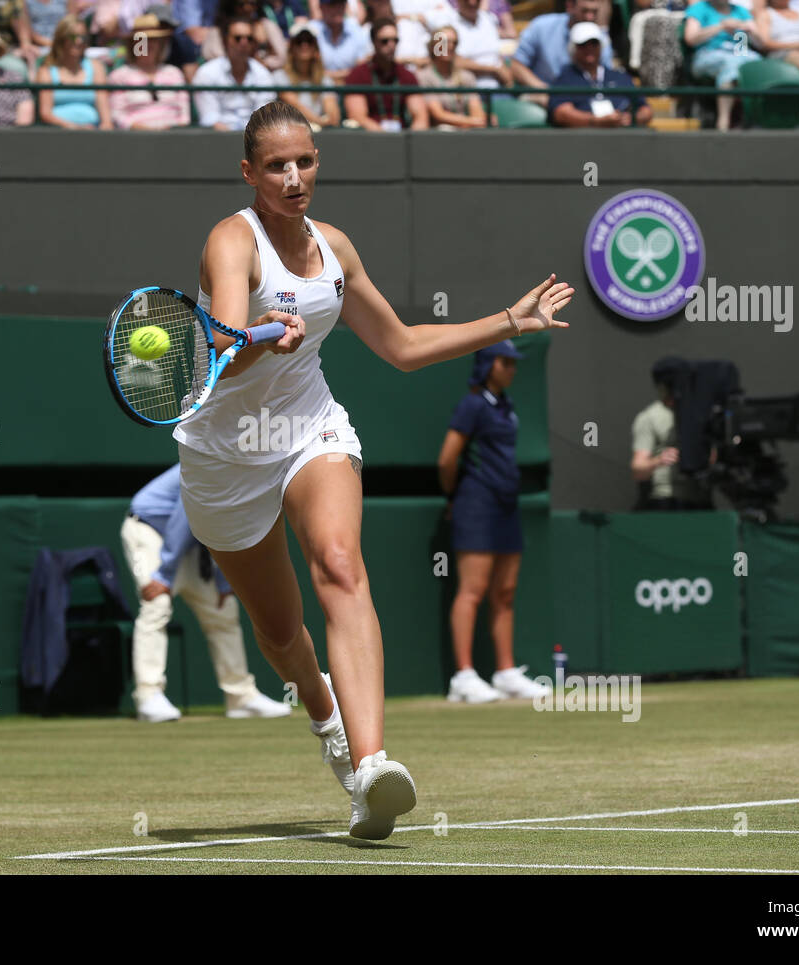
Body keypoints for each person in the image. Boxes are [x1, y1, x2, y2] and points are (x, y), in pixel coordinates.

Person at [176, 98, 572, 838]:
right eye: (276, 166)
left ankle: (369, 769)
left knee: (340, 563)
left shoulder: (336, 248)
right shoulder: (232, 241)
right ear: (248, 173)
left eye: (305, 161)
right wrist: (267, 335)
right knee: (281, 634)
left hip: (308, 427)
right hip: (225, 456)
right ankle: (325, 719)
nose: (294, 177)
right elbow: (222, 355)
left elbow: (402, 345)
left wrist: (508, 320)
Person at [123, 465, 293, 722]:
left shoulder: (251, 477)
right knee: (156, 604)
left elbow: (231, 529)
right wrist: (164, 575)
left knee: (223, 609)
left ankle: (240, 698)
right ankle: (148, 696)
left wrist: (224, 583)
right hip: (149, 529)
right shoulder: (215, 463)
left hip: (189, 543)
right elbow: (185, 513)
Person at [437, 340, 550, 703]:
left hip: (506, 506)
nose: (512, 369)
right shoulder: (472, 405)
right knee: (472, 591)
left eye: (514, 363)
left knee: (505, 592)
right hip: (476, 504)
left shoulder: (506, 405)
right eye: (505, 362)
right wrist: (455, 497)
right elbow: (447, 459)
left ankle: (504, 673)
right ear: (488, 364)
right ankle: (464, 677)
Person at [630, 361, 714, 510]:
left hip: (700, 502)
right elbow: (638, 470)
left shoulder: (702, 415)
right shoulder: (650, 417)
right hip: (665, 501)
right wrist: (659, 460)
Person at [549, 20, 652, 126]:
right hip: (583, 138)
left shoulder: (620, 76)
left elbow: (646, 110)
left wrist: (632, 118)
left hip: (622, 136)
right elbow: (561, 113)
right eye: (583, 44)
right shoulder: (565, 78)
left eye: (594, 43)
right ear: (573, 48)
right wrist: (595, 121)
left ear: (601, 46)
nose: (589, 48)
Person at [511, 0, 612, 104]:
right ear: (569, 6)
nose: (589, 17)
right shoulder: (542, 26)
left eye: (594, 12)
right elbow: (516, 65)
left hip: (585, 102)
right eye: (584, 11)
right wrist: (546, 91)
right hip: (544, 97)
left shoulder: (601, 38)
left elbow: (604, 76)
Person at [684, 0, 761, 130]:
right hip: (708, 55)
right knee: (731, 65)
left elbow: (761, 43)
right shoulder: (699, 8)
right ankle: (723, 123)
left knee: (761, 66)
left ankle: (760, 119)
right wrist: (721, 26)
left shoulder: (741, 11)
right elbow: (691, 39)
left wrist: (747, 28)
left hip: (741, 52)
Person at [342, 15, 430, 129]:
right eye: (385, 41)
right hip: (369, 140)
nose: (391, 45)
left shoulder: (406, 75)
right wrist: (385, 138)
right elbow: (358, 117)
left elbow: (421, 117)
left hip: (401, 139)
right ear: (373, 42)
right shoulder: (358, 74)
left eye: (395, 40)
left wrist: (410, 139)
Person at [107, 9, 189, 129]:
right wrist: (141, 129)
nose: (148, 44)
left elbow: (184, 115)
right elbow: (117, 115)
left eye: (153, 40)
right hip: (134, 140)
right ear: (133, 44)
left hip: (173, 139)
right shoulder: (119, 76)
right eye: (142, 40)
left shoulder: (174, 73)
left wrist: (170, 130)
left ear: (160, 43)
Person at [192, 13, 276, 130]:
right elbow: (209, 118)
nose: (244, 42)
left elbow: (264, 119)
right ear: (225, 41)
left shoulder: (263, 74)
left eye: (249, 38)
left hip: (254, 140)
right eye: (238, 38)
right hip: (216, 140)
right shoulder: (206, 73)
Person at [425, 0, 511, 89]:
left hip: (497, 88)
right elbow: (441, 57)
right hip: (463, 89)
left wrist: (506, 78)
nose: (472, 3)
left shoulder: (489, 18)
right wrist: (493, 70)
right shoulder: (443, 19)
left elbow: (497, 56)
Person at [417, 24, 487, 128]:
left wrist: (475, 122)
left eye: (454, 42)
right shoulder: (423, 76)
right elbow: (438, 115)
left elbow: (477, 110)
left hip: (468, 130)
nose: (450, 46)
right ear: (433, 46)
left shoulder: (467, 76)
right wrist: (473, 122)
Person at [272, 26, 340, 129]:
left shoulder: (325, 80)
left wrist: (327, 121)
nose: (304, 45)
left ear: (315, 48)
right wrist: (320, 122)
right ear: (292, 48)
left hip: (318, 133)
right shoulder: (279, 76)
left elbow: (333, 113)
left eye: (309, 41)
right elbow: (294, 106)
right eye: (299, 41)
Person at [203, 0, 287, 69]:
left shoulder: (266, 26)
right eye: (241, 4)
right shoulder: (218, 30)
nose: (247, 8)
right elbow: (213, 56)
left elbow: (282, 57)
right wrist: (243, 62)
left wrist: (262, 63)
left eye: (252, 4)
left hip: (263, 72)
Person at [304, 0, 371, 80]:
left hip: (351, 87)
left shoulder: (355, 28)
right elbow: (305, 68)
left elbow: (363, 66)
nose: (337, 9)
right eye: (332, 5)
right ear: (321, 7)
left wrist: (330, 76)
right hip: (318, 86)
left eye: (341, 4)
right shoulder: (310, 30)